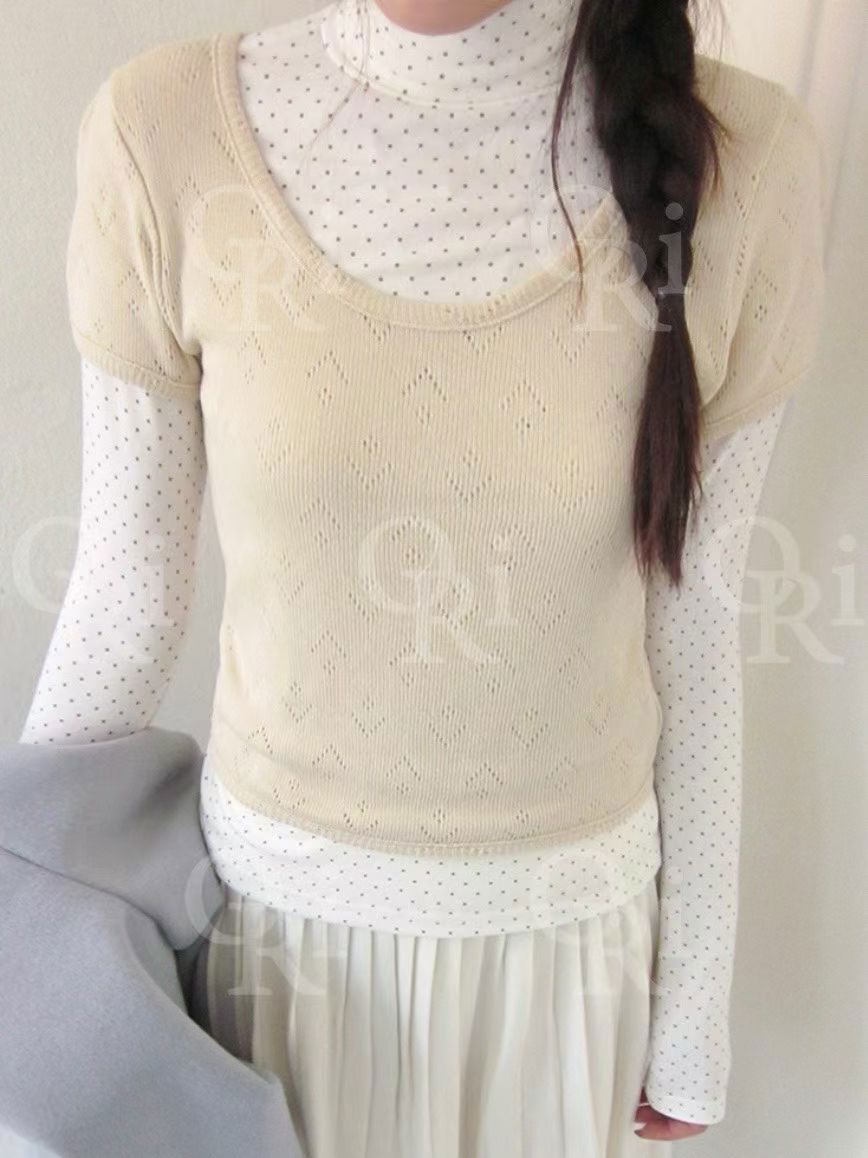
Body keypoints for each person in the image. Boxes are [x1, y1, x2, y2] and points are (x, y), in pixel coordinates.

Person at [21, 0, 826, 1153]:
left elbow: (692, 625)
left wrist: (692, 1006)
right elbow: (122, 597)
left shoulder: (745, 162)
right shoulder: (165, 133)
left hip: (567, 971)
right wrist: (25, 940)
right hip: (271, 960)